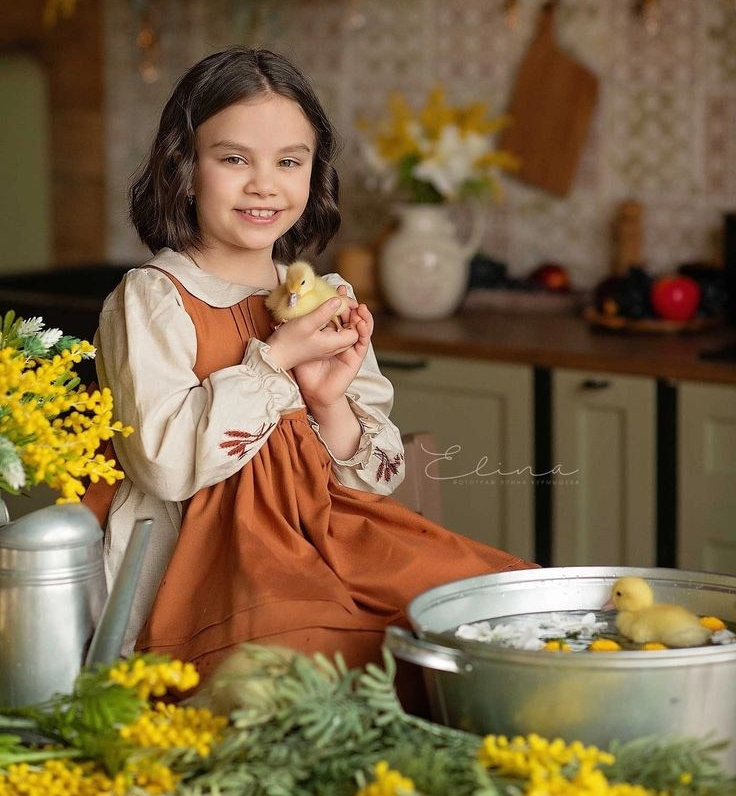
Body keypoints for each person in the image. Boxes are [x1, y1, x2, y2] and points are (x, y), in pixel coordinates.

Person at [85, 47, 532, 682]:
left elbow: (374, 479)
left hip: (335, 541)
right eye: (234, 158)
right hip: (215, 568)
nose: (264, 183)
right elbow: (166, 465)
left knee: (490, 616)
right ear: (184, 167)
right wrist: (277, 361)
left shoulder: (323, 299)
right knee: (310, 670)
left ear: (313, 172)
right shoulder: (153, 296)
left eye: (289, 161)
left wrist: (327, 401)